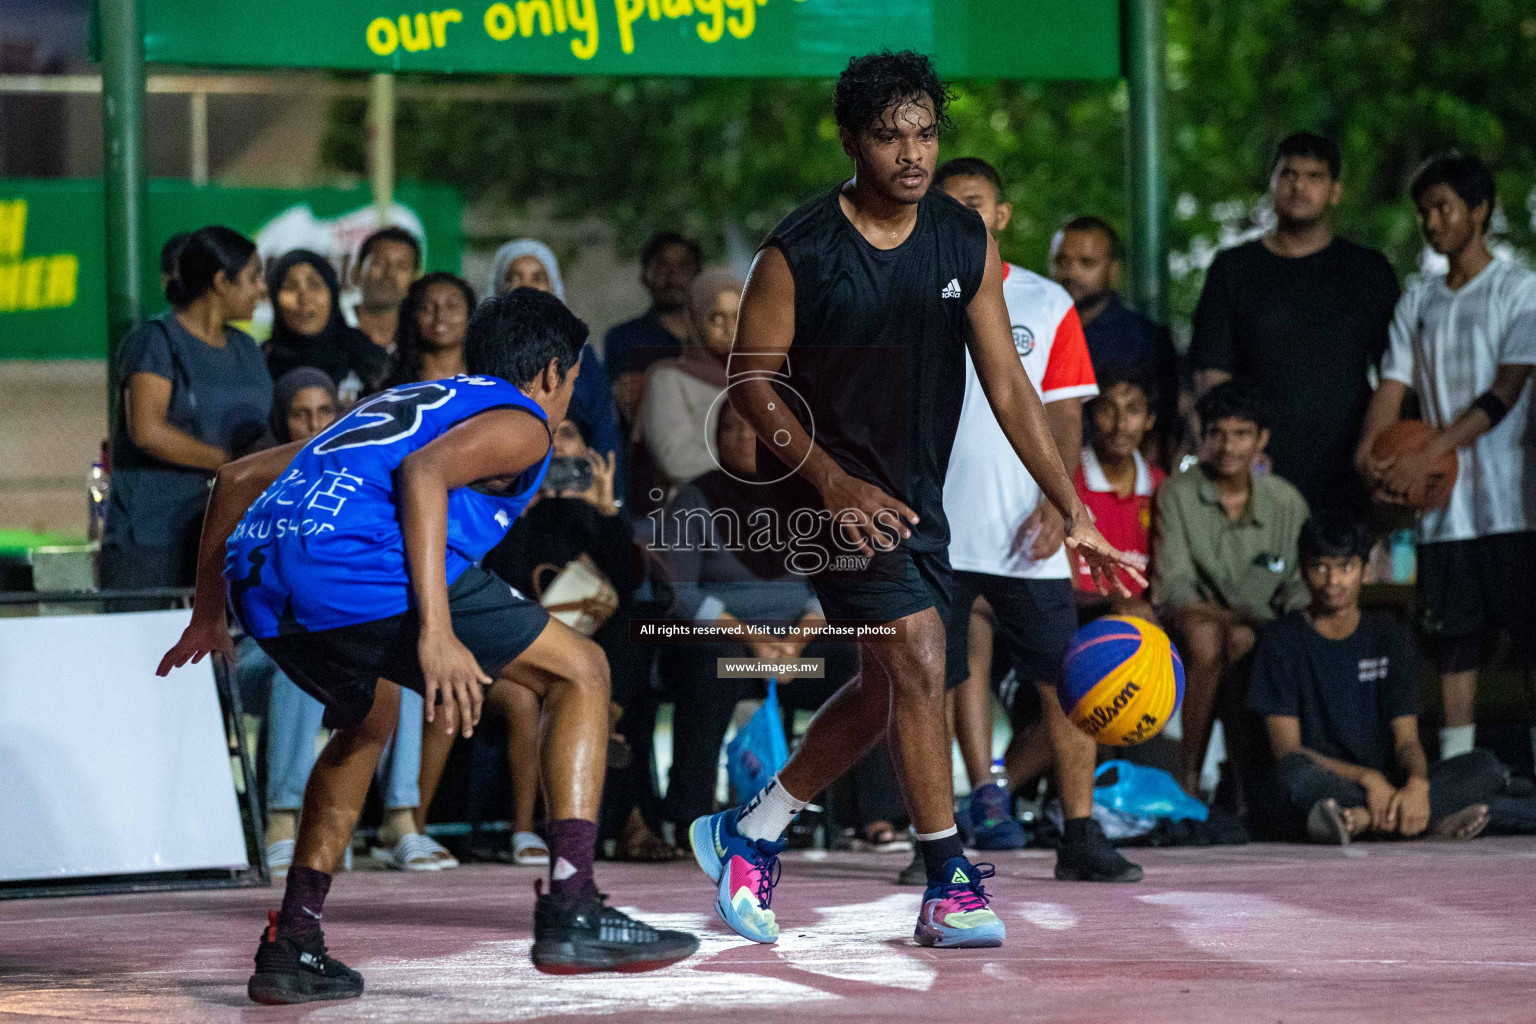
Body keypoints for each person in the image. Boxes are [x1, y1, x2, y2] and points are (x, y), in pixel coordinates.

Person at [685, 51, 1141, 951]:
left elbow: (1009, 384)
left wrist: (1074, 505)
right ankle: (948, 879)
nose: (912, 153)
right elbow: (749, 384)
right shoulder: (799, 250)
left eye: (926, 133)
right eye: (891, 135)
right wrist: (832, 482)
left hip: (914, 498)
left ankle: (755, 828)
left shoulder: (960, 240)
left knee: (887, 687)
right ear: (852, 140)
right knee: (924, 657)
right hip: (822, 495)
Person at [158, 288, 698, 1004]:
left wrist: (207, 614)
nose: (568, 400)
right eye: (570, 384)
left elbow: (236, 477)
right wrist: (438, 635)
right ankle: (574, 901)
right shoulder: (523, 418)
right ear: (549, 374)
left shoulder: (409, 400)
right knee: (583, 669)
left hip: (265, 585)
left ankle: (293, 943)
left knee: (370, 719)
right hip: (353, 567)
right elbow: (425, 476)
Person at [930, 156, 1139, 882]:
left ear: (1003, 214)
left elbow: (1065, 414)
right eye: (950, 202)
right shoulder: (912, 292)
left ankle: (1080, 834)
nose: (965, 213)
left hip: (1030, 536)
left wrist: (1063, 505)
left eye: (976, 201)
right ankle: (936, 846)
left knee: (1066, 683)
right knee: (928, 683)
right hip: (935, 532)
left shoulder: (1048, 301)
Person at [1357, 151, 1536, 765]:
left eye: (1444, 208)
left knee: (1527, 635)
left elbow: (1507, 391)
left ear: (1480, 211)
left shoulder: (1520, 289)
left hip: (1515, 500)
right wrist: (1373, 457)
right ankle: (1459, 768)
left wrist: (1427, 450)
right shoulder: (1420, 298)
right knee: (1453, 640)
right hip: (1440, 501)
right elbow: (1392, 385)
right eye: (1424, 212)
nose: (1432, 223)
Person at [1248, 515, 1509, 844]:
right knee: (1291, 779)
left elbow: (1407, 741)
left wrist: (1417, 783)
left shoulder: (1389, 636)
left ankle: (1364, 820)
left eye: (1345, 567)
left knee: (1484, 766)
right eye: (1320, 567)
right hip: (1329, 782)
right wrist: (1368, 779)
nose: (1332, 580)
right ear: (1303, 570)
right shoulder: (1282, 640)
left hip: (1389, 786)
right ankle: (1423, 820)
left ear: (1365, 570)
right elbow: (1288, 750)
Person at [1190, 132, 1400, 515]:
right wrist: (1237, 451)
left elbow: (1397, 375)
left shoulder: (1369, 272)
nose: (1299, 185)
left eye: (1314, 176)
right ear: (1271, 184)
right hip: (1255, 472)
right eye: (1288, 174)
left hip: (1349, 470)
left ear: (1336, 190)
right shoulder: (1233, 270)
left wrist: (1379, 451)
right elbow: (1211, 374)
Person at [1153, 379, 1310, 800]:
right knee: (1210, 639)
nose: (1229, 446)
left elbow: (1298, 583)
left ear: (1262, 439)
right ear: (1203, 438)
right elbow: (1174, 587)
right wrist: (1242, 617)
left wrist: (1289, 624)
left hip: (1260, 630)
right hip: (1193, 625)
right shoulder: (1177, 494)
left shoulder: (1286, 502)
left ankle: (1245, 787)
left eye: (1242, 434)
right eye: (1217, 433)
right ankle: (1189, 781)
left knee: (1243, 641)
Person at [102, 226, 271, 593]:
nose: (262, 289)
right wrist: (227, 462)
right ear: (221, 282)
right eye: (254, 276)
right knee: (145, 645)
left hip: (230, 530)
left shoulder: (247, 349)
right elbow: (147, 431)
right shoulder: (155, 341)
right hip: (152, 537)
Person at [1050, 216, 1180, 465]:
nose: (1071, 272)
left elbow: (1164, 430)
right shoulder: (1033, 329)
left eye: (1086, 263)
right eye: (1062, 262)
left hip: (1120, 486)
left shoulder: (1147, 338)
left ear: (1113, 269)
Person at [488, 239, 622, 476]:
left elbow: (603, 432)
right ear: (499, 287)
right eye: (515, 277)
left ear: (553, 288)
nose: (526, 287)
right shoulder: (482, 354)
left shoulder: (582, 357)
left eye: (537, 277)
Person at [639, 267, 742, 493]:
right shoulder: (668, 379)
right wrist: (750, 457)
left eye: (738, 317)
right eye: (717, 318)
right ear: (695, 321)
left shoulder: (762, 379)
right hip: (697, 511)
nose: (730, 329)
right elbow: (676, 460)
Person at [1071, 368, 1165, 615]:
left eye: (1133, 410)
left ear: (1150, 419)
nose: (1120, 424)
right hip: (1078, 621)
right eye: (1107, 409)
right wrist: (1112, 604)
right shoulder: (1068, 480)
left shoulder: (1162, 487)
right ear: (1091, 415)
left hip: (1144, 625)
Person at [264, 249, 388, 405]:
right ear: (275, 298)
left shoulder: (367, 357)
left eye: (314, 286)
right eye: (290, 287)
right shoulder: (259, 364)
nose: (304, 298)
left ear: (333, 294)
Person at [602, 231, 702, 424]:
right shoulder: (622, 339)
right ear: (645, 276)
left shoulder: (718, 336)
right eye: (662, 266)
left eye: (683, 266)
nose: (672, 275)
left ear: (699, 274)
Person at [382, 272, 477, 389]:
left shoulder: (489, 383)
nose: (440, 317)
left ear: (471, 315)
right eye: (427, 308)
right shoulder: (392, 386)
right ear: (413, 315)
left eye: (452, 306)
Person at [347, 226, 421, 352]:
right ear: (356, 273)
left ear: (414, 282)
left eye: (401, 267)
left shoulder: (421, 341)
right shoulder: (333, 329)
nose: (389, 274)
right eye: (379, 263)